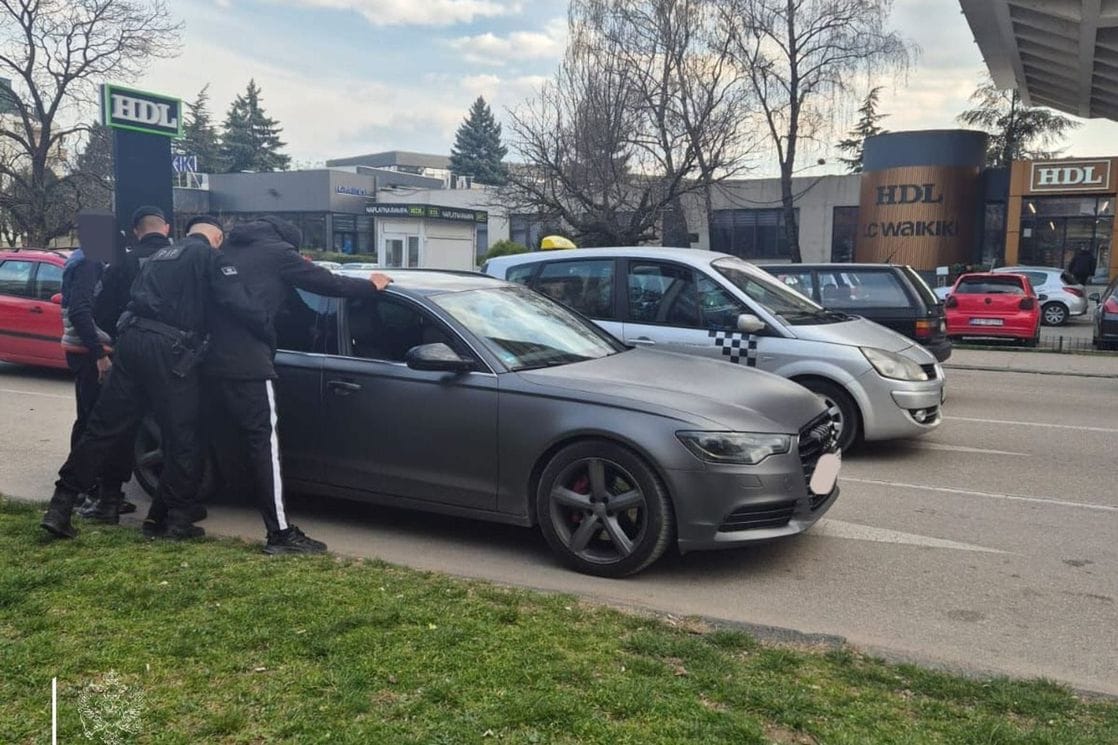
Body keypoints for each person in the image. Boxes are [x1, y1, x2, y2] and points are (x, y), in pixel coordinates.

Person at [40, 216, 274, 540]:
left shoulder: (159, 256)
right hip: (171, 350)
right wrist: (267, 332)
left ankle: (60, 506)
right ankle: (177, 520)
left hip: (131, 342)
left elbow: (106, 305)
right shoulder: (208, 256)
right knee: (182, 435)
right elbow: (239, 304)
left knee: (101, 430)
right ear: (217, 237)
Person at [201, 215, 391, 554]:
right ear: (290, 241)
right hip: (247, 362)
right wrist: (371, 285)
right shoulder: (278, 253)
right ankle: (280, 534)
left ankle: (169, 515)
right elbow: (330, 284)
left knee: (191, 434)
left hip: (203, 357)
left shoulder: (224, 251)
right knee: (264, 446)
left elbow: (293, 309)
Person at [74, 205, 176, 519]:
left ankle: (101, 499)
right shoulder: (185, 260)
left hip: (127, 353)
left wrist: (119, 339)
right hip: (173, 357)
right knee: (174, 428)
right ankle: (170, 511)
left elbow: (100, 310)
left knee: (110, 425)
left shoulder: (121, 263)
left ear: (134, 231)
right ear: (168, 228)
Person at [58, 245, 136, 520]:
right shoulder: (89, 264)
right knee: (95, 424)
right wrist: (100, 355)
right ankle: (90, 492)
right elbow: (80, 311)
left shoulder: (80, 259)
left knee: (87, 420)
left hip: (80, 351)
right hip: (89, 353)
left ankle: (86, 491)